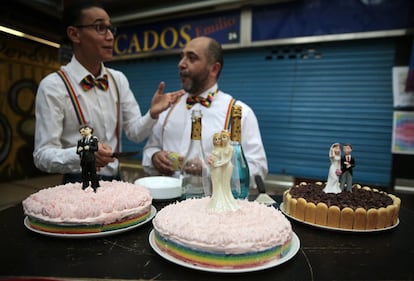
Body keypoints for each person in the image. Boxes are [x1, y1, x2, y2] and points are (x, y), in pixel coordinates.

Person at [33, 1, 184, 183]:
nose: (110, 36)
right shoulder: (53, 86)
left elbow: (135, 133)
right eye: (100, 28)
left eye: (111, 28)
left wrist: (152, 114)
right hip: (77, 181)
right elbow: (42, 155)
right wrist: (83, 154)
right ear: (74, 34)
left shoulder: (117, 79)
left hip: (116, 179)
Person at [143, 36, 268, 188]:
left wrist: (211, 170)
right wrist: (154, 157)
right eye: (182, 57)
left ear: (214, 69)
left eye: (192, 58)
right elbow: (150, 148)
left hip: (212, 207)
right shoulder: (168, 106)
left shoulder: (240, 113)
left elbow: (257, 170)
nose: (181, 64)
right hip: (168, 202)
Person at [208, 131, 239, 211]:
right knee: (217, 184)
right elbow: (216, 158)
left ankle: (227, 200)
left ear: (228, 138)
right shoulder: (219, 148)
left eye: (224, 137)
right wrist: (211, 161)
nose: (221, 139)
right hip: (216, 167)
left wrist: (218, 164)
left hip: (226, 167)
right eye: (220, 138)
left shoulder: (230, 148)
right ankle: (215, 201)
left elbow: (226, 160)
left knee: (225, 184)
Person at [77, 124, 99, 191]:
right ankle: (85, 186)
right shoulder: (81, 141)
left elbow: (96, 148)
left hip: (91, 159)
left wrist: (89, 147)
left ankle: (94, 186)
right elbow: (77, 151)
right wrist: (79, 150)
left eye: (85, 129)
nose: (83, 132)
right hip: (83, 159)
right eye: (81, 132)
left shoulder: (94, 139)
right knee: (84, 173)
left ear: (90, 130)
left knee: (93, 173)